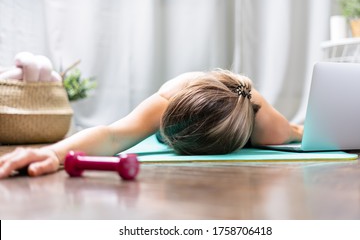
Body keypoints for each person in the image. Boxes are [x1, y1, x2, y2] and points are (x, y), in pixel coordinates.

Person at [0, 69, 303, 179]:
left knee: (281, 136)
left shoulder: (268, 126)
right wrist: (54, 154)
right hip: (189, 103)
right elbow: (113, 135)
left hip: (238, 121)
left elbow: (303, 132)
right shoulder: (168, 98)